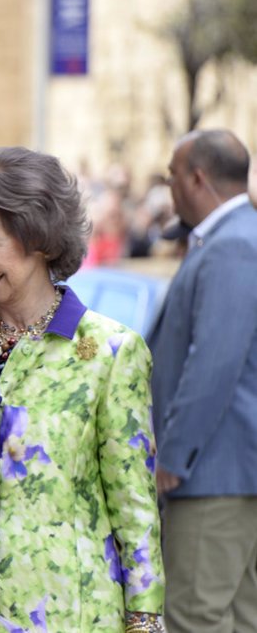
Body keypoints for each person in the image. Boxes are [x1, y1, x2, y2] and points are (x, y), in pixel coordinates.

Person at [0, 146, 164, 632]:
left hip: (76, 612)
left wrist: (145, 620)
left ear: (41, 238)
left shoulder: (110, 352)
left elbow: (134, 507)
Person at [148, 129, 257, 633]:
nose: (169, 189)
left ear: (196, 178)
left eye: (172, 177)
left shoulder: (233, 244)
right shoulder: (233, 239)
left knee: (195, 619)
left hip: (212, 473)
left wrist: (174, 454)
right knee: (235, 619)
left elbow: (215, 361)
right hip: (228, 470)